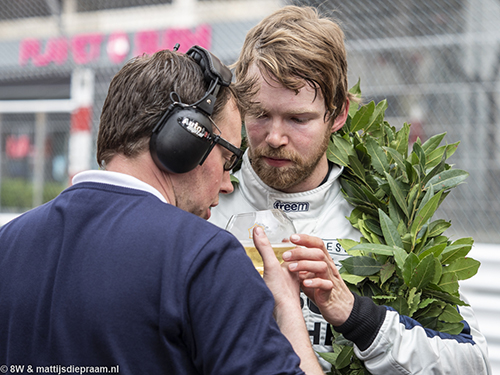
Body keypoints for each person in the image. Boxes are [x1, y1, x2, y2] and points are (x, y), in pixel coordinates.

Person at [0, 46, 325, 375]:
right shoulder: (205, 257)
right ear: (184, 139)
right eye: (229, 159)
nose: (228, 183)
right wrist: (286, 307)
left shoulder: (8, 242)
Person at [209, 5, 491, 374]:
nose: (275, 137)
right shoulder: (204, 199)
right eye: (260, 114)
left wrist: (355, 315)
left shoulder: (385, 216)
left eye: (298, 118)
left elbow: (473, 363)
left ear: (338, 112)